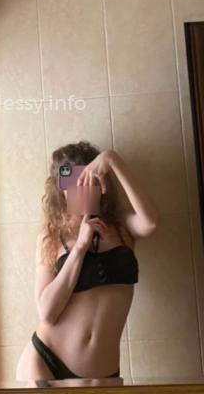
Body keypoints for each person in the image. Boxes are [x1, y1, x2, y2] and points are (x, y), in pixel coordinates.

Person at [16, 141, 160, 382]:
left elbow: (151, 222)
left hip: (104, 373)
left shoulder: (120, 228)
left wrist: (112, 160)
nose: (79, 190)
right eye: (71, 183)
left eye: (86, 181)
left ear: (101, 185)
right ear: (60, 189)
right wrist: (80, 247)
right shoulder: (51, 237)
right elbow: (47, 313)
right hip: (46, 363)